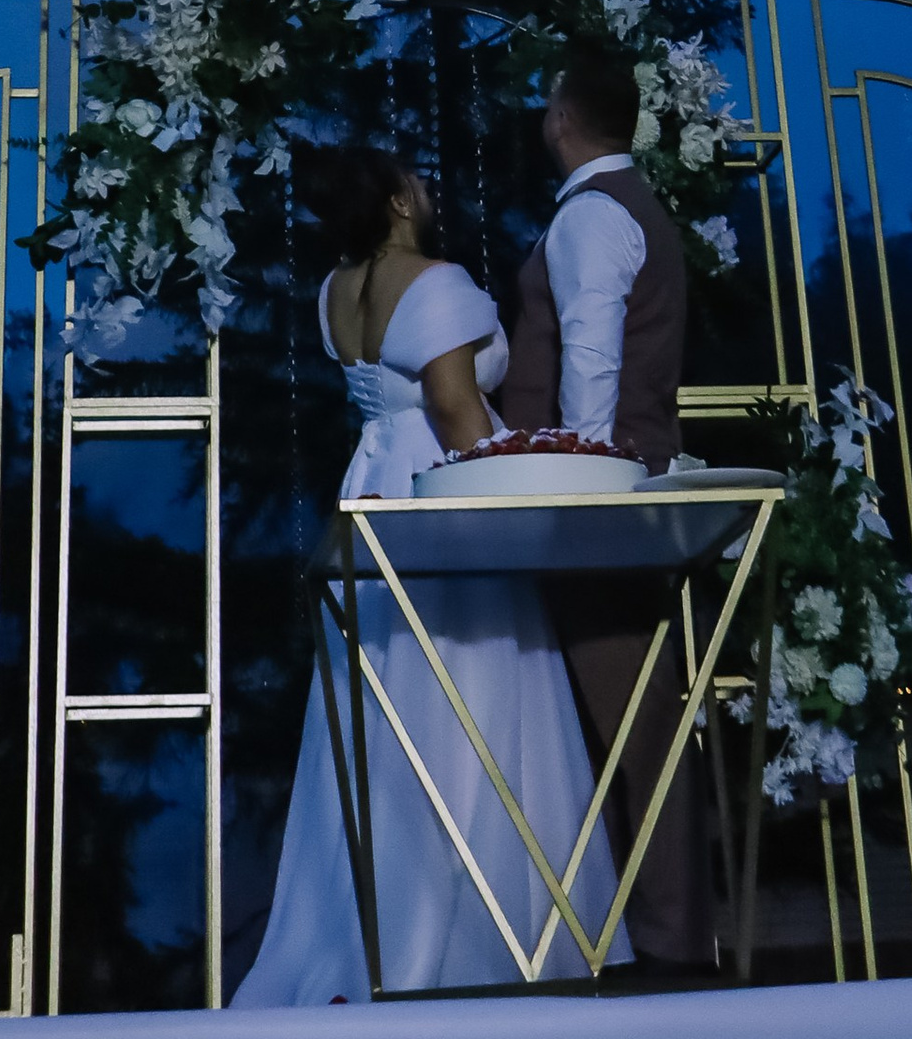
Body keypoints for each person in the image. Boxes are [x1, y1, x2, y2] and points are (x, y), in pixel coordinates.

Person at [231, 149, 626, 1005]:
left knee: (387, 709)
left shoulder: (337, 289)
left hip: (369, 483)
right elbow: (453, 401)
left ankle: (370, 928)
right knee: (470, 691)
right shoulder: (434, 280)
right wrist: (510, 481)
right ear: (400, 201)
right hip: (439, 486)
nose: (433, 189)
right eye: (421, 180)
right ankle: (474, 937)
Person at [498, 42, 717, 982]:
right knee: (629, 714)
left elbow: (591, 350)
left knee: (634, 718)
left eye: (548, 104)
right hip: (617, 490)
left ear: (562, 118)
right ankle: (650, 930)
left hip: (597, 500)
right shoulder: (627, 205)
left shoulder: (594, 213)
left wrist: (577, 473)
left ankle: (667, 942)